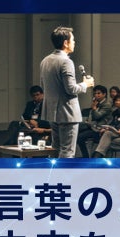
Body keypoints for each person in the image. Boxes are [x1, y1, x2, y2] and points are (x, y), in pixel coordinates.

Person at [39, 26, 94, 158]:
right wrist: (85, 84)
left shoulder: (45, 60)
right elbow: (71, 89)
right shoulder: (66, 62)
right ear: (66, 43)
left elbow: (43, 86)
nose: (74, 42)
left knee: (55, 149)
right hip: (67, 113)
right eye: (73, 40)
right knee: (67, 151)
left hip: (52, 111)